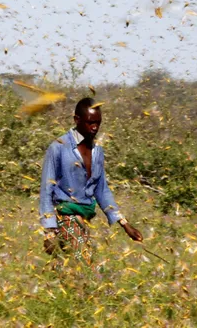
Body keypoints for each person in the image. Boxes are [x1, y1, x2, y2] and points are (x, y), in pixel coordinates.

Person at [39, 98, 142, 267]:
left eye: (98, 123)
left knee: (67, 267)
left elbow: (102, 190)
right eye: (90, 123)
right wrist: (49, 231)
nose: (95, 127)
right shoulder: (58, 147)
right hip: (64, 216)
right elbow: (46, 189)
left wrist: (124, 223)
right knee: (85, 264)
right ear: (77, 120)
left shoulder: (97, 151)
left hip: (85, 218)